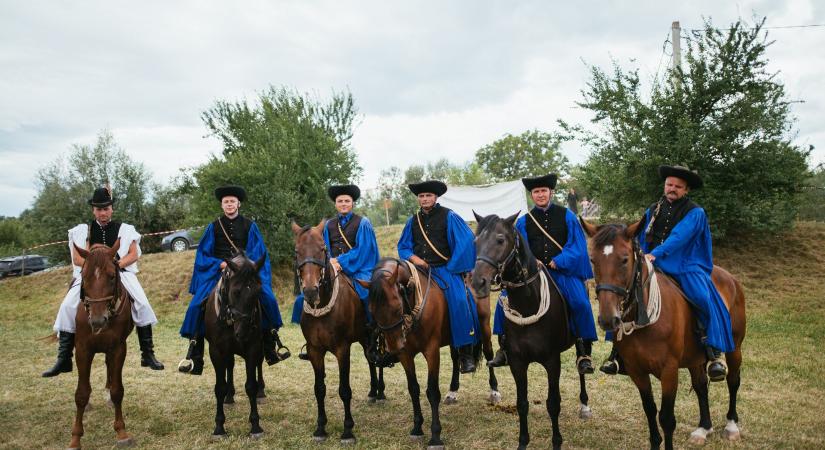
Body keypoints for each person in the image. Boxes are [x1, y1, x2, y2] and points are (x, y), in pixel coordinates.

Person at [600, 165, 734, 382]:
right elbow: (639, 235)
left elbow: (680, 237)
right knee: (625, 296)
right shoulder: (653, 209)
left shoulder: (695, 212)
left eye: (678, 186)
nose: (672, 189)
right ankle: (617, 354)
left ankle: (712, 352)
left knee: (702, 298)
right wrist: (637, 253)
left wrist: (656, 254)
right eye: (669, 184)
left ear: (686, 190)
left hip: (685, 264)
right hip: (651, 260)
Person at [43, 186, 164, 377]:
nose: (103, 213)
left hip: (120, 272)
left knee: (142, 303)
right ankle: (64, 357)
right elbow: (77, 259)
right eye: (99, 209)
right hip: (90, 275)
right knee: (67, 306)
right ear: (93, 210)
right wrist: (95, 268)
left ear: (112, 209)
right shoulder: (83, 231)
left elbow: (133, 255)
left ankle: (147, 353)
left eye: (106, 208)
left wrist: (114, 266)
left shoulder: (125, 229)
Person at [489, 174, 598, 375]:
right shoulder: (523, 222)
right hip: (533, 274)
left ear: (551, 193)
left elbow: (577, 246)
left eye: (543, 191)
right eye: (536, 192)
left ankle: (583, 351)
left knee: (580, 303)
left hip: (561, 273)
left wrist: (559, 261)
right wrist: (531, 261)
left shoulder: (568, 216)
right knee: (502, 302)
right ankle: (504, 348)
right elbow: (520, 248)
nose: (540, 195)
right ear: (532, 195)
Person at [178, 185, 289, 375]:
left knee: (267, 299)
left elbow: (258, 251)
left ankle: (271, 343)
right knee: (196, 305)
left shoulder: (250, 225)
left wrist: (246, 265)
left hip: (245, 272)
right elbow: (203, 254)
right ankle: (194, 353)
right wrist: (220, 264)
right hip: (219, 271)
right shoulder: (213, 227)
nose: (229, 204)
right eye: (226, 202)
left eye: (232, 201)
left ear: (238, 204)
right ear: (222, 205)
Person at [397, 180, 480, 373]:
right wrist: (414, 259)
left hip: (445, 270)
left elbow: (466, 241)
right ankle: (394, 343)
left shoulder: (449, 216)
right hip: (418, 270)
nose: (424, 199)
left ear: (435, 197)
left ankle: (465, 352)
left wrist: (452, 266)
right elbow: (403, 246)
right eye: (421, 196)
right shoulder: (413, 221)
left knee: (460, 300)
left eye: (428, 196)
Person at [292, 184, 380, 360]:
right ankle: (311, 339)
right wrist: (330, 262)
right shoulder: (328, 225)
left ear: (352, 203)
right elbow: (323, 249)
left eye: (347, 201)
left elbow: (364, 250)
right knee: (303, 298)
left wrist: (341, 262)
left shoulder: (363, 223)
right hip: (332, 268)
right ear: (335, 204)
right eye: (340, 201)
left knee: (365, 294)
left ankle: (372, 333)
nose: (344, 204)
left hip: (359, 269)